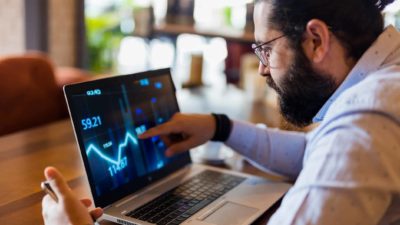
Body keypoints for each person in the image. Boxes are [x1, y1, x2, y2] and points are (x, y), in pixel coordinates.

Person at [42, 0, 400, 224]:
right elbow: (314, 153)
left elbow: (339, 149)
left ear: (316, 40)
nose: (262, 69)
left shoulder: (366, 121)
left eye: (266, 50)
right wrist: (219, 127)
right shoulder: (383, 82)